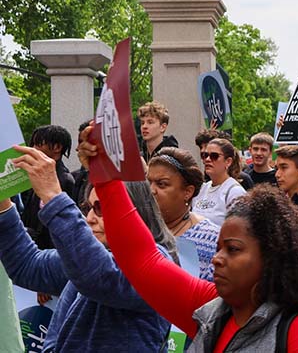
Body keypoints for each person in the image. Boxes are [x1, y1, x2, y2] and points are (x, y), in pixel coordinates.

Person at [96, 178, 298, 351]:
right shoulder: (210, 311)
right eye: (218, 248)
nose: (217, 258)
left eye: (233, 249)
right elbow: (142, 260)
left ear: (272, 257)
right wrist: (105, 176)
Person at [1, 145, 175, 351]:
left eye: (101, 208)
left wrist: (53, 196)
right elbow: (28, 265)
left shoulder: (156, 262)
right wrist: (3, 203)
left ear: (133, 210)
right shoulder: (87, 259)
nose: (90, 218)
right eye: (87, 208)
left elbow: (99, 276)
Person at [147, 147, 221, 282]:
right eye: (148, 182)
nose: (151, 190)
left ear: (188, 192)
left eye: (161, 184)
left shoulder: (211, 239)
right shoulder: (139, 229)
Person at [20, 125, 76, 250]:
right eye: (33, 143)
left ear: (57, 147)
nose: (33, 148)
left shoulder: (64, 180)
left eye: (39, 144)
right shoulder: (34, 175)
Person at [192, 138, 246, 227]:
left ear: (228, 161)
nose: (207, 159)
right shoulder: (202, 189)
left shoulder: (235, 192)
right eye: (205, 155)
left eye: (214, 156)